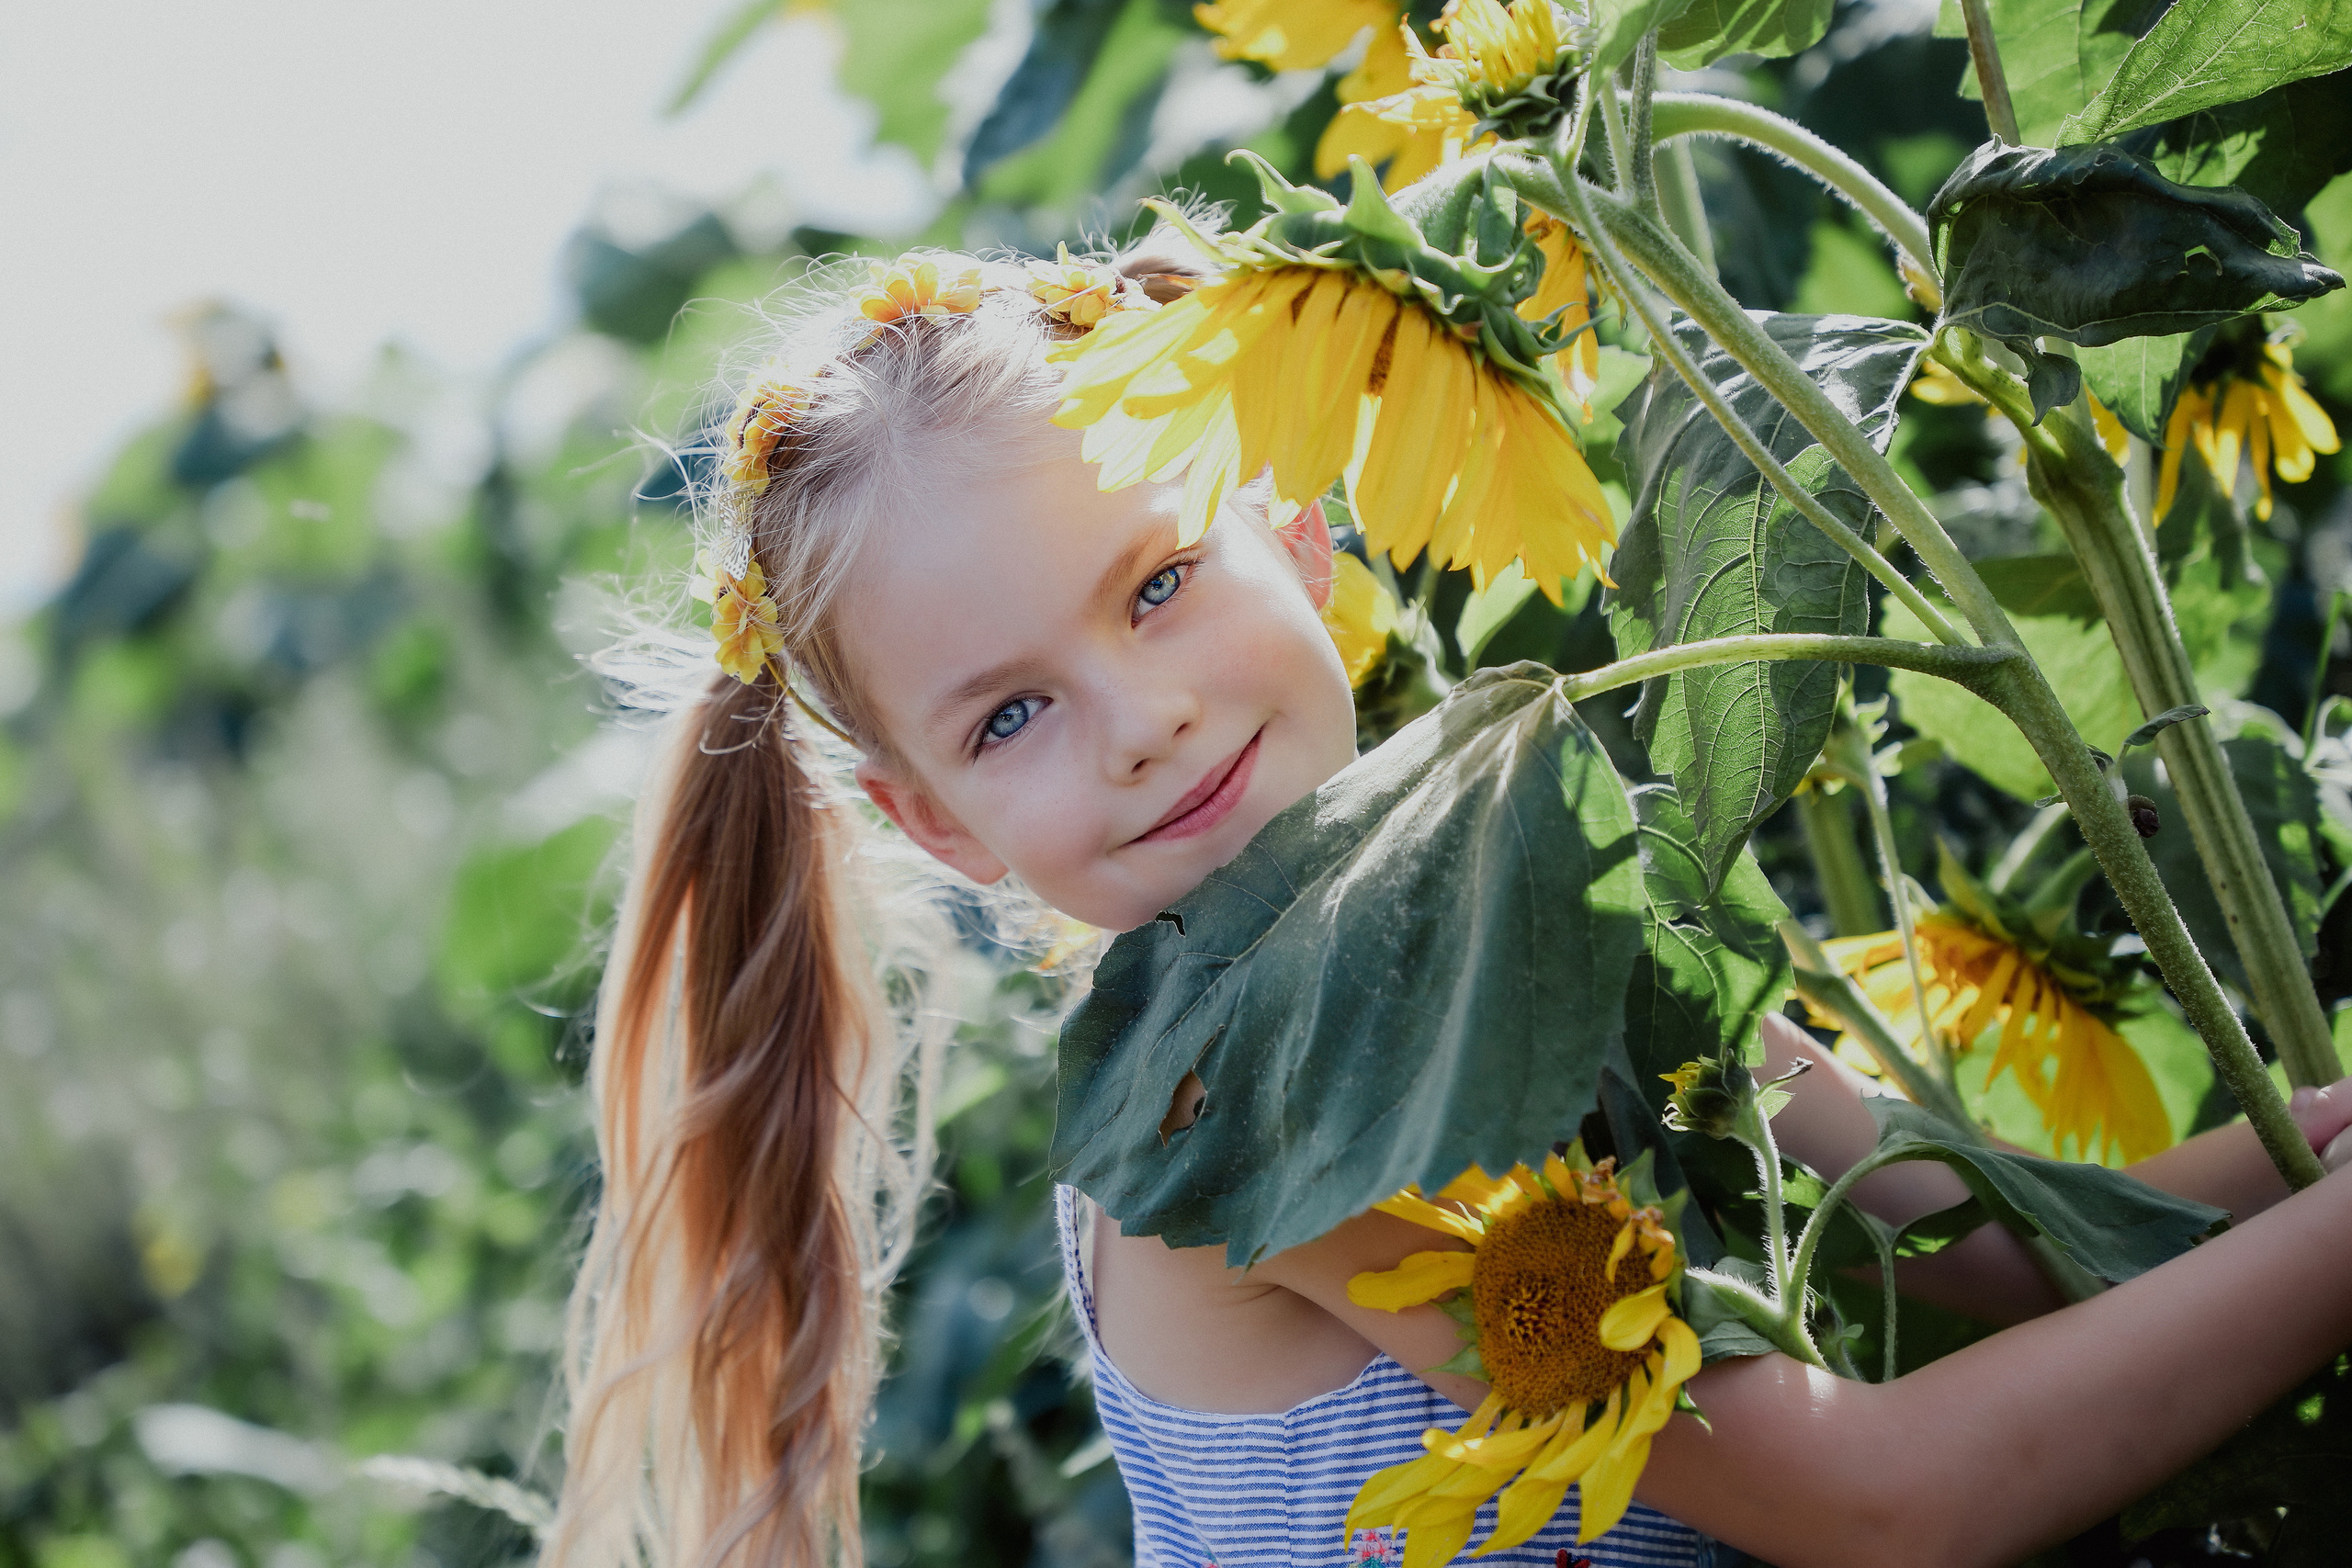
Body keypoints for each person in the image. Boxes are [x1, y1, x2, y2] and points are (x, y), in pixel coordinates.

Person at [540, 245, 2352, 1568]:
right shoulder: (1241, 1109)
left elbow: (1972, 1236)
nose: (1141, 715)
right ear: (934, 823)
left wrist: (2313, 1153)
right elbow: (1877, 1498)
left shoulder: (1539, 885)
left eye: (1159, 582)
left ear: (1302, 538)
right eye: (1009, 714)